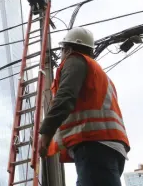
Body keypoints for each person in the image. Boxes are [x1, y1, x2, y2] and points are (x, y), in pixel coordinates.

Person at [39, 27, 130, 186]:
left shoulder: (75, 60)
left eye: (62, 50)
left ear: (68, 49)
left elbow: (64, 97)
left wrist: (46, 133)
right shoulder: (98, 73)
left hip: (94, 145)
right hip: (109, 147)